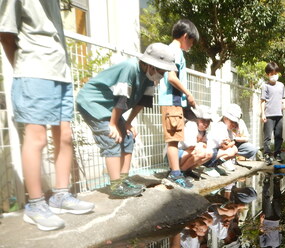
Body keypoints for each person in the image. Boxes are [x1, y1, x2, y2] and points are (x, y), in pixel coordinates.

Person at [0, 0, 95, 231]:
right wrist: (24, 67)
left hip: (61, 73)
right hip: (33, 71)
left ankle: (60, 195)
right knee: (37, 138)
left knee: (65, 136)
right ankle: (35, 205)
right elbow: (5, 33)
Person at [76, 43, 176, 198]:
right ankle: (116, 186)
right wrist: (112, 124)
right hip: (93, 103)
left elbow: (142, 102)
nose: (162, 76)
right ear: (151, 65)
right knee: (112, 139)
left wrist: (128, 123)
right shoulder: (130, 67)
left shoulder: (150, 77)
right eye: (162, 71)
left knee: (128, 136)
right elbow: (122, 99)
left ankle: (123, 179)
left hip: (111, 108)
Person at [158, 19, 199, 189]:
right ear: (185, 36)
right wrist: (188, 94)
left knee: (175, 138)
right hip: (172, 101)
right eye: (191, 41)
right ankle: (175, 174)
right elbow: (172, 77)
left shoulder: (174, 51)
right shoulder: (174, 51)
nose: (191, 45)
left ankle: (176, 172)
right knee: (173, 139)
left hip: (175, 102)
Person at [179, 105, 214, 179]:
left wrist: (201, 144)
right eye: (203, 120)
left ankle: (187, 170)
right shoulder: (191, 124)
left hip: (186, 154)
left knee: (209, 154)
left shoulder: (203, 132)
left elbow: (206, 144)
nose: (206, 124)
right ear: (196, 119)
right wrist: (200, 144)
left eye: (208, 121)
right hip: (177, 154)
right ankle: (180, 173)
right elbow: (190, 145)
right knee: (201, 152)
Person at [260, 61, 285, 165]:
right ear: (268, 75)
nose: (274, 76)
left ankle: (277, 153)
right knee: (268, 137)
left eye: (275, 73)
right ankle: (267, 154)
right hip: (269, 114)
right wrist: (262, 114)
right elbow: (262, 101)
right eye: (271, 74)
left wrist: (283, 105)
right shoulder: (265, 86)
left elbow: (283, 98)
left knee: (279, 135)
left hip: (279, 114)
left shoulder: (281, 85)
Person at [205, 104, 240, 175]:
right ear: (226, 118)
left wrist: (232, 142)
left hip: (215, 152)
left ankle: (214, 165)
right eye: (232, 121)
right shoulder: (221, 127)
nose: (234, 124)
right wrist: (233, 142)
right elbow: (225, 146)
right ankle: (208, 166)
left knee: (234, 149)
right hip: (208, 153)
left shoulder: (228, 128)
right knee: (232, 150)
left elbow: (229, 142)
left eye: (235, 122)